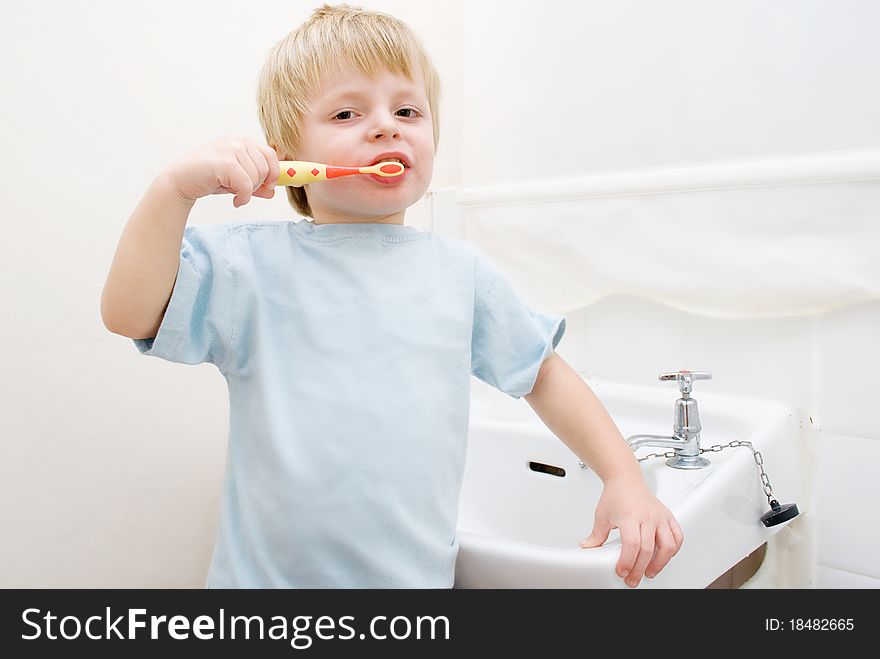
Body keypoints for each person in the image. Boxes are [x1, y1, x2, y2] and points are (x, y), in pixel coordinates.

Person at [101, 3, 682, 589]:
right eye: (348, 112)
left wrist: (623, 477)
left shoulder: (461, 274)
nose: (387, 127)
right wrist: (172, 190)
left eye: (408, 110)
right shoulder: (249, 266)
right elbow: (128, 315)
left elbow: (544, 374)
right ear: (287, 159)